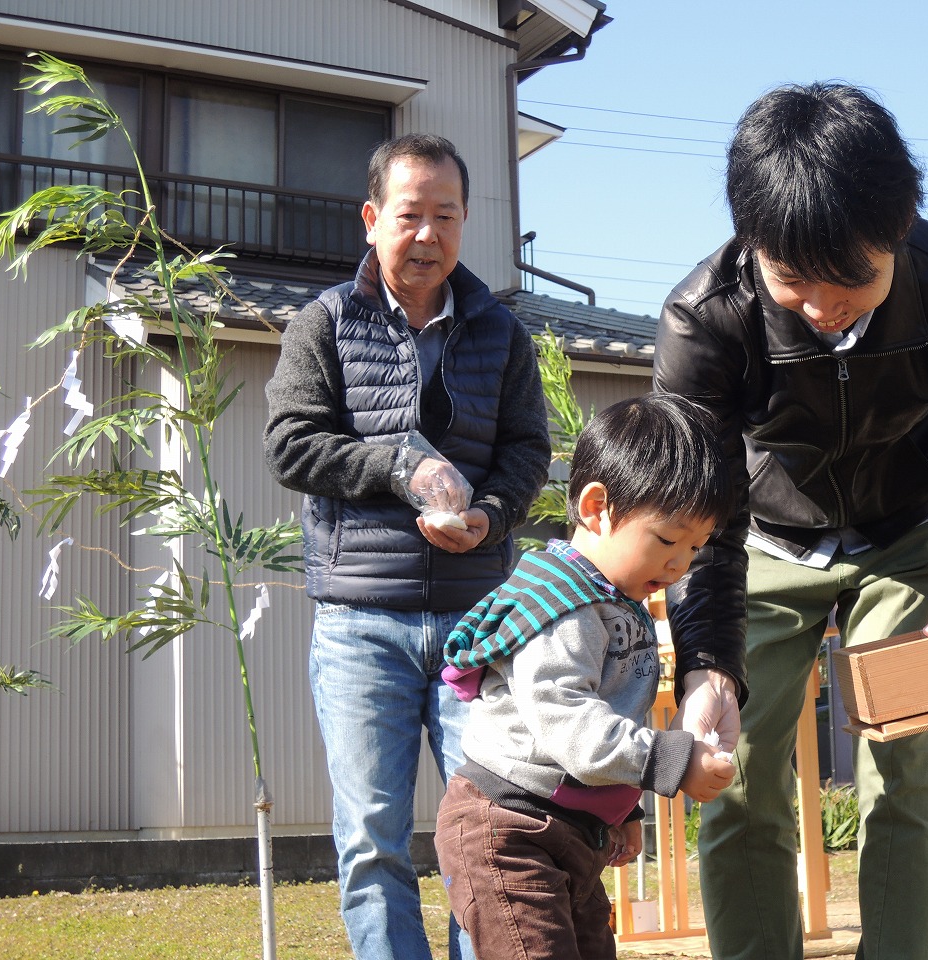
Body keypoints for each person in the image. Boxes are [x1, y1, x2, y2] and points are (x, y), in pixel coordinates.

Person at [652, 81, 928, 960]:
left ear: (899, 232)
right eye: (794, 282)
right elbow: (697, 515)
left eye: (853, 279)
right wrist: (709, 663)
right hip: (762, 547)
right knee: (736, 769)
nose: (825, 307)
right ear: (753, 247)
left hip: (909, 539)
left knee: (904, 763)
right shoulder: (703, 318)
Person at [264, 134, 551, 960]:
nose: (427, 234)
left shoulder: (503, 331)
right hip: (361, 623)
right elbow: (290, 446)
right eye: (409, 215)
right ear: (370, 219)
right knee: (371, 838)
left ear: (466, 222)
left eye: (446, 216)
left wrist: (490, 520)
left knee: (489, 829)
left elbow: (527, 453)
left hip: (480, 622)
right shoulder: (324, 323)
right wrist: (398, 464)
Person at [434, 393, 738, 960]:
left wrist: (625, 812)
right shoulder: (564, 606)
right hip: (508, 833)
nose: (678, 565)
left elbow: (615, 708)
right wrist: (673, 760)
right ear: (597, 507)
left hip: (569, 828)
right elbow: (569, 722)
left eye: (694, 549)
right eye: (668, 540)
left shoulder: (614, 599)